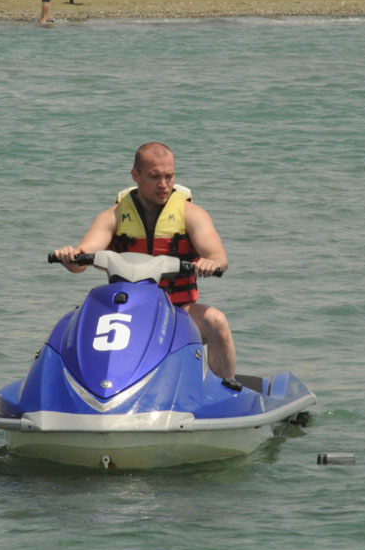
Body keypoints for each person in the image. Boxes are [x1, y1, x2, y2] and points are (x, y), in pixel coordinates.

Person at [53, 142, 237, 379]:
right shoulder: (114, 216)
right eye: (154, 177)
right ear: (135, 175)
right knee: (70, 324)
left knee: (216, 321)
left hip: (177, 310)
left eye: (169, 176)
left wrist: (211, 263)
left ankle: (225, 390)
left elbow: (219, 257)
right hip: (126, 311)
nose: (164, 184)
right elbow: (81, 259)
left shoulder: (191, 215)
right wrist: (71, 257)